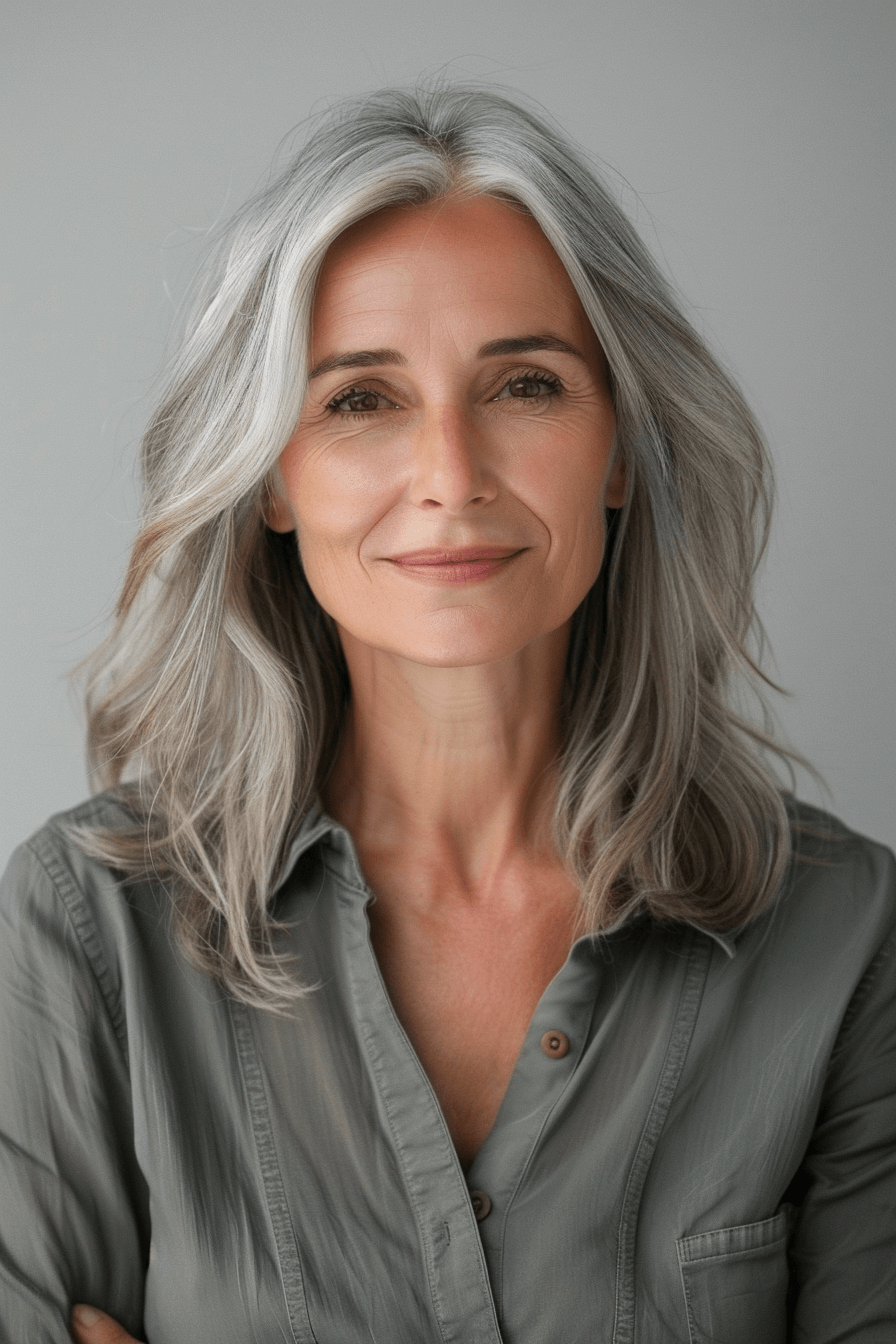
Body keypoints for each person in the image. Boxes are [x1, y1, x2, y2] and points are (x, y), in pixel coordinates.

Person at [1, 83, 893, 1344]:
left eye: (524, 385)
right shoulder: (85, 934)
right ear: (271, 478)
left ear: (622, 449)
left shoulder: (845, 943)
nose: (451, 478)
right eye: (359, 399)